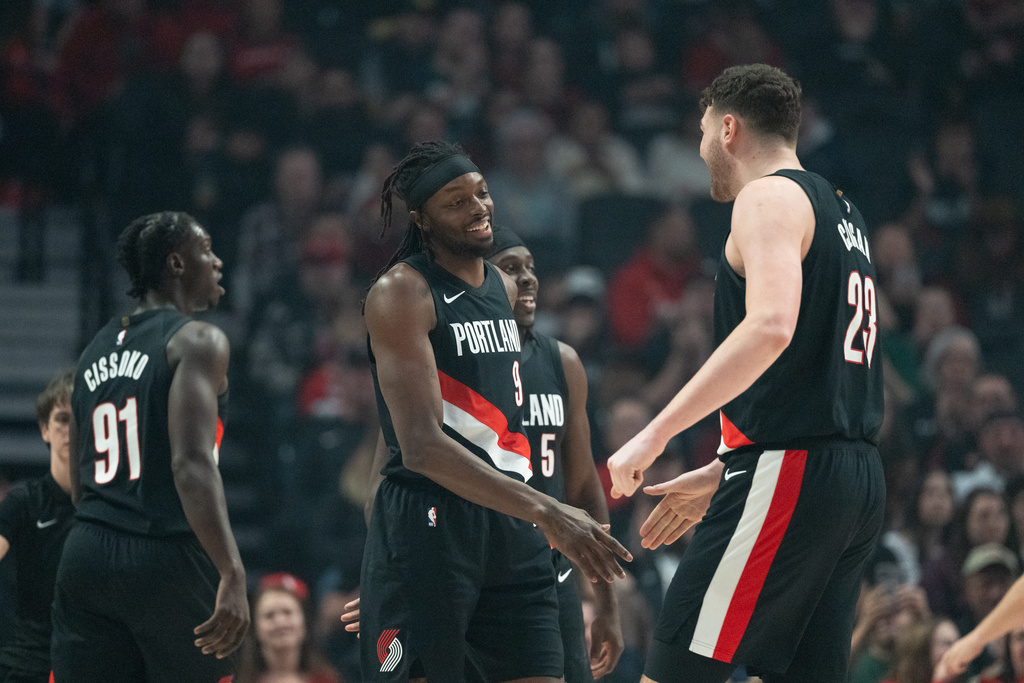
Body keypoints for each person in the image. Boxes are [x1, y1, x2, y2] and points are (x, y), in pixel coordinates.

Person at [606, 63, 886, 683]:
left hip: (792, 471)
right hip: (853, 479)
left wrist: (656, 434)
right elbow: (819, 372)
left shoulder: (766, 197)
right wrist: (730, 464)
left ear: (727, 128)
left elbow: (770, 329)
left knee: (674, 669)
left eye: (703, 132)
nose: (701, 148)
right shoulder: (844, 212)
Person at [358, 141, 630, 682]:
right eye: (456, 202)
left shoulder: (501, 289)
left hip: (512, 527)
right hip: (430, 524)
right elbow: (420, 446)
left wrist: (546, 521)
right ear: (422, 219)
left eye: (481, 193)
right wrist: (547, 511)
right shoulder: (401, 293)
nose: (478, 207)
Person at [50, 211, 249, 682]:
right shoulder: (198, 340)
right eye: (207, 251)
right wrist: (232, 570)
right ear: (177, 264)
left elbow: (79, 483)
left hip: (86, 552)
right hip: (164, 554)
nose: (218, 263)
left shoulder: (94, 347)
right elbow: (192, 465)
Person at [485, 227, 623, 680]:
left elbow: (583, 486)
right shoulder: (461, 362)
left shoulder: (562, 361)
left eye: (530, 268)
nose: (527, 279)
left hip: (553, 572)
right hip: (484, 572)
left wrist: (606, 605)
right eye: (510, 269)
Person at [0, 370, 75, 683]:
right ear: (45, 430)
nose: (71, 429)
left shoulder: (112, 505)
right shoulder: (24, 501)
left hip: (90, 661)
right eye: (62, 419)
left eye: (80, 417)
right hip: (29, 663)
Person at [234, 572, 341, 683]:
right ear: (255, 627)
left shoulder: (328, 680)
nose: (280, 622)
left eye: (287, 612)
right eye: (269, 615)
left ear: (305, 622)